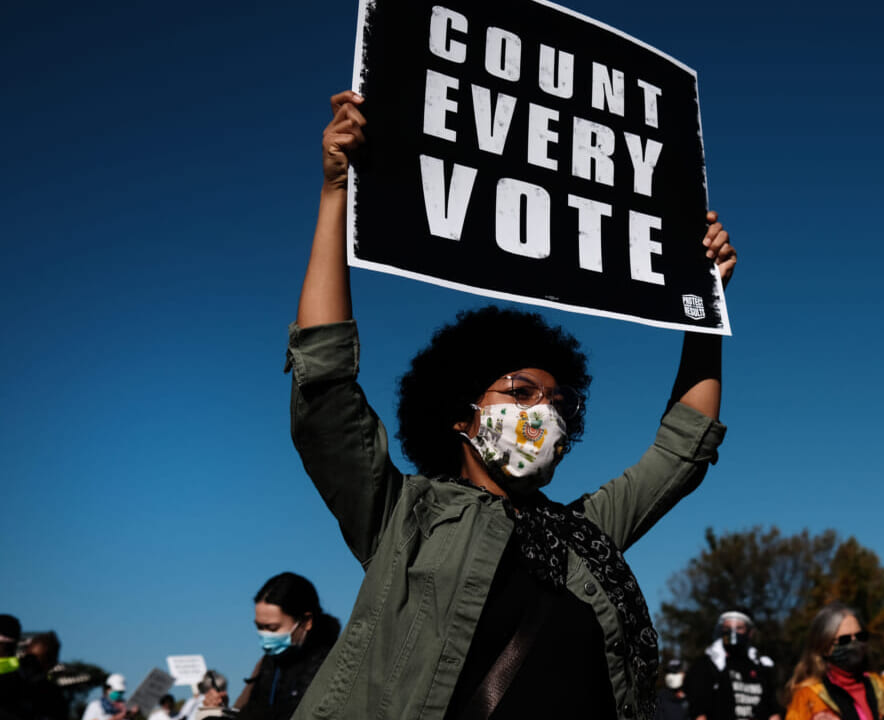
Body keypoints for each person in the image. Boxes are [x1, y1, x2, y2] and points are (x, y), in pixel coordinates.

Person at [284, 90, 735, 720]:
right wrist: (336, 192)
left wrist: (704, 306)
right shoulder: (403, 516)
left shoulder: (588, 535)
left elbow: (683, 446)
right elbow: (326, 386)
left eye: (557, 402)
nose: (542, 414)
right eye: (520, 393)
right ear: (462, 414)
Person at [237, 574, 338, 720]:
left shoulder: (331, 665)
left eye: (272, 628)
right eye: (259, 627)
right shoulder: (269, 663)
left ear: (306, 621)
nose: (265, 635)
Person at [783, 603, 884, 720]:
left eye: (860, 636)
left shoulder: (878, 686)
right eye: (844, 640)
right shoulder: (809, 696)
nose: (854, 644)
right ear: (824, 647)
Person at [686, 611, 780, 720]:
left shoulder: (761, 666)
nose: (732, 633)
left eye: (739, 628)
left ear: (749, 633)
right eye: (727, 628)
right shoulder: (707, 665)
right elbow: (698, 712)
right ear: (721, 631)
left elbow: (773, 712)